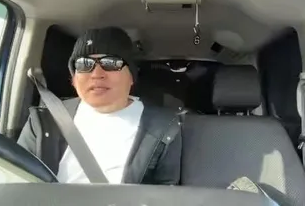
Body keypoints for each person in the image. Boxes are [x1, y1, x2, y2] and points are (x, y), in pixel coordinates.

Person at [16, 26, 183, 185]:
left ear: (131, 76)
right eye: (84, 64)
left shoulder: (164, 127)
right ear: (74, 79)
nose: (96, 74)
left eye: (111, 62)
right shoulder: (45, 120)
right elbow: (17, 180)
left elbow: (165, 192)